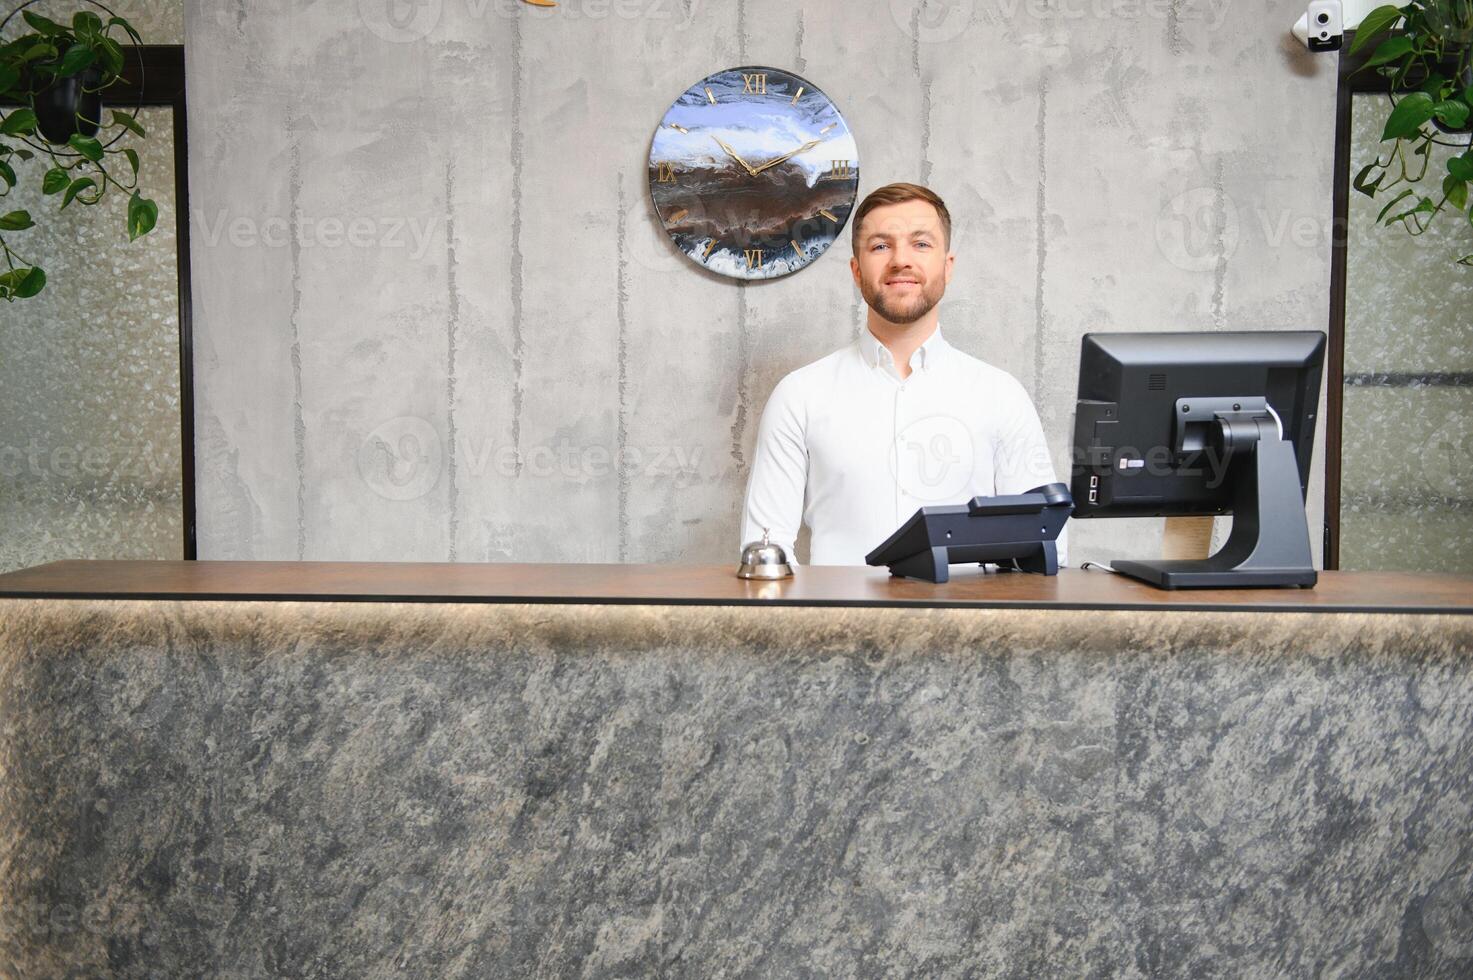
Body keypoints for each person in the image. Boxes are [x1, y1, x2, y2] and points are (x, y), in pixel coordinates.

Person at [739, 182, 1065, 566]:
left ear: (948, 266)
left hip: (967, 624)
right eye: (880, 246)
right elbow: (764, 554)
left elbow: (1046, 550)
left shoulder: (1002, 395)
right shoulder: (799, 395)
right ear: (857, 271)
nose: (901, 260)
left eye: (921, 244)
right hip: (837, 625)